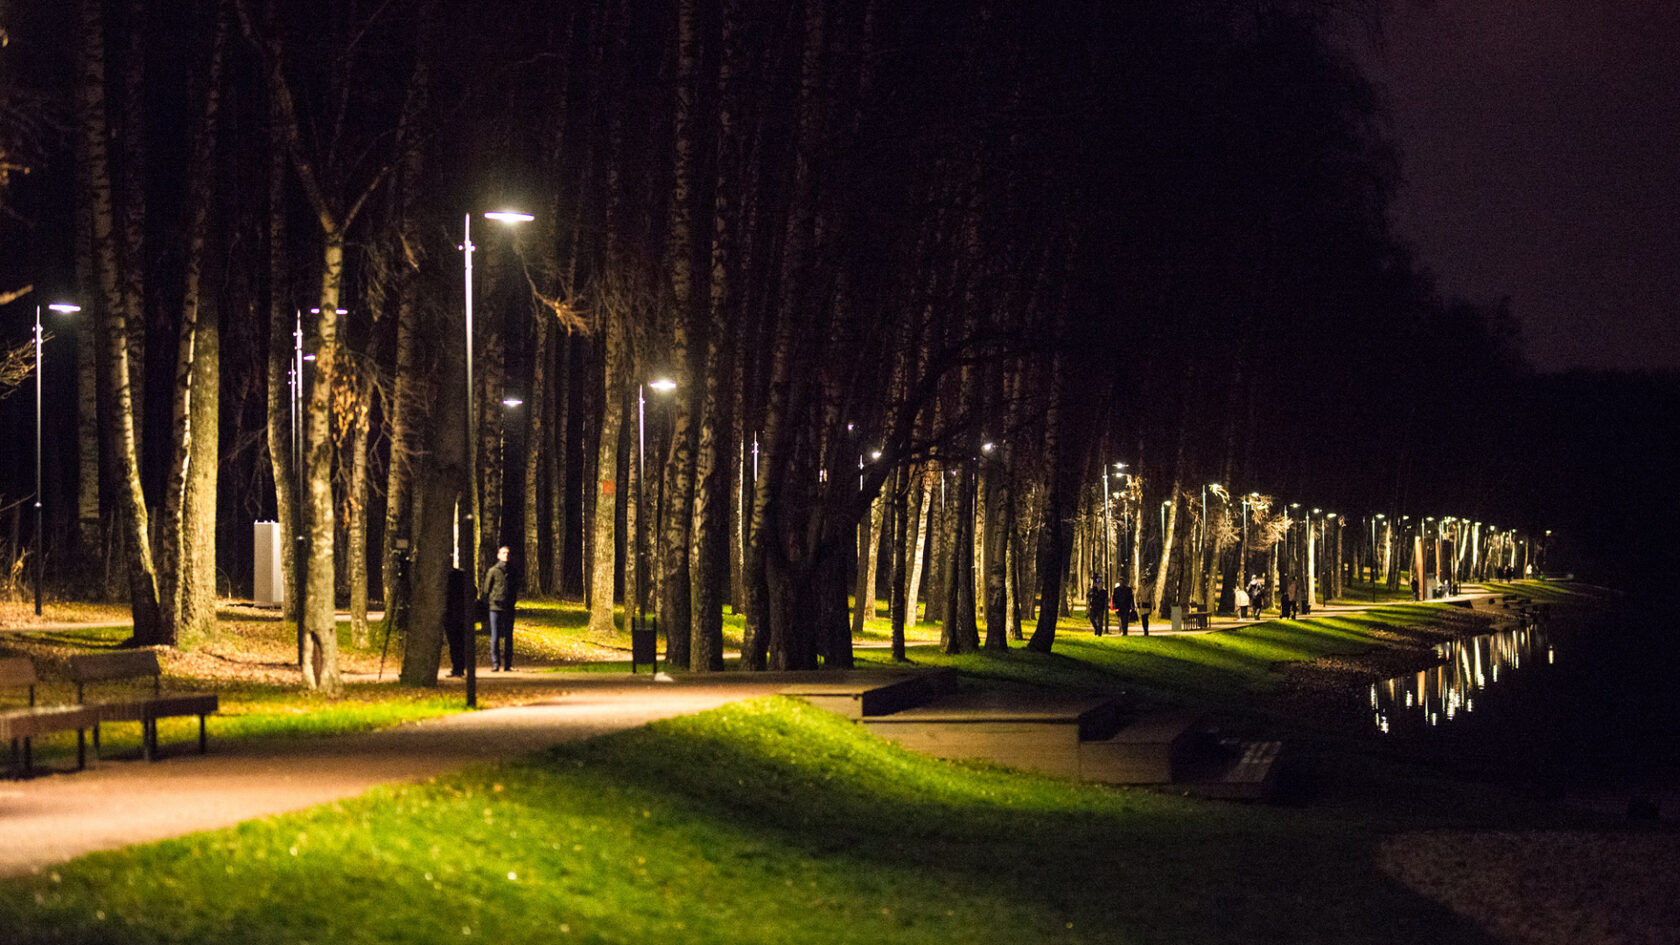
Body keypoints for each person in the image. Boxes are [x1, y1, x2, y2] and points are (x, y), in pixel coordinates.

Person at [482, 546, 519, 671]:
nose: (506, 555)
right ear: (498, 555)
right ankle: (495, 663)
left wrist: (512, 601)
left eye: (508, 553)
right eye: (503, 553)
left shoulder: (513, 571)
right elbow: (486, 589)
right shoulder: (493, 571)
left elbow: (516, 587)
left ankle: (508, 664)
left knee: (509, 636)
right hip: (496, 607)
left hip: (509, 607)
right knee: (495, 636)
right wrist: (490, 601)